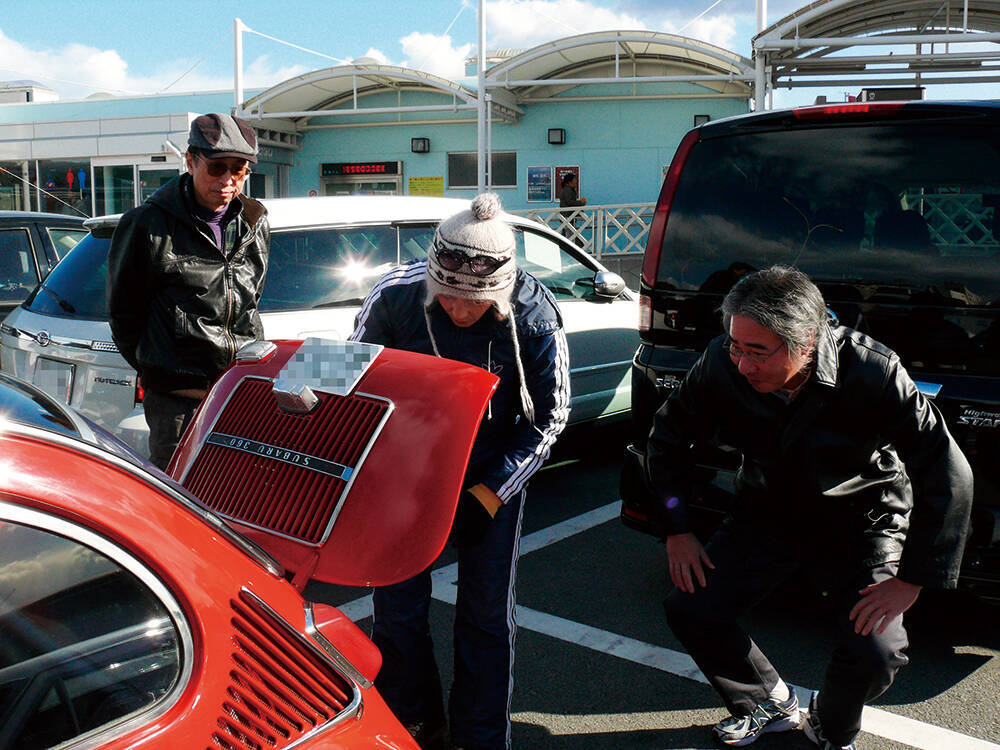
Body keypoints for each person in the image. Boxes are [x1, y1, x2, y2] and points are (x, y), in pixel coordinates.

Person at [646, 266, 972, 750]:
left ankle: (829, 722)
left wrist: (912, 578)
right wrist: (677, 528)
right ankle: (766, 703)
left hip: (864, 519)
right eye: (736, 345)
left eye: (758, 352)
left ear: (807, 342)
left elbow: (948, 472)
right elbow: (666, 443)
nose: (742, 364)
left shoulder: (872, 369)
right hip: (767, 511)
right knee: (692, 606)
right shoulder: (720, 363)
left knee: (876, 651)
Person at [350, 193, 570, 750]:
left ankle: (480, 738)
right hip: (407, 467)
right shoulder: (395, 293)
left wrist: (491, 492)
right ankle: (413, 721)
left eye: (476, 302)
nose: (460, 311)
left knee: (486, 615)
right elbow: (347, 365)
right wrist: (297, 380)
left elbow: (550, 417)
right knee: (395, 609)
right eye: (447, 297)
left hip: (492, 467)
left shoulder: (536, 314)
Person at [108, 113, 269, 470]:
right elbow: (124, 314)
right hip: (177, 403)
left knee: (236, 491)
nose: (227, 180)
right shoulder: (147, 224)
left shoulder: (255, 221)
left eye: (239, 169)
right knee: (178, 497)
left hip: (240, 390)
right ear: (191, 160)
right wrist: (164, 370)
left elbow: (251, 301)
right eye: (216, 168)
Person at [558, 173, 586, 241]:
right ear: (569, 181)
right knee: (570, 236)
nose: (576, 181)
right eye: (574, 180)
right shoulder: (568, 190)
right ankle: (575, 249)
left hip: (568, 216)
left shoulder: (568, 189)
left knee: (570, 235)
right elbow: (569, 202)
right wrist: (581, 202)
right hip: (568, 216)